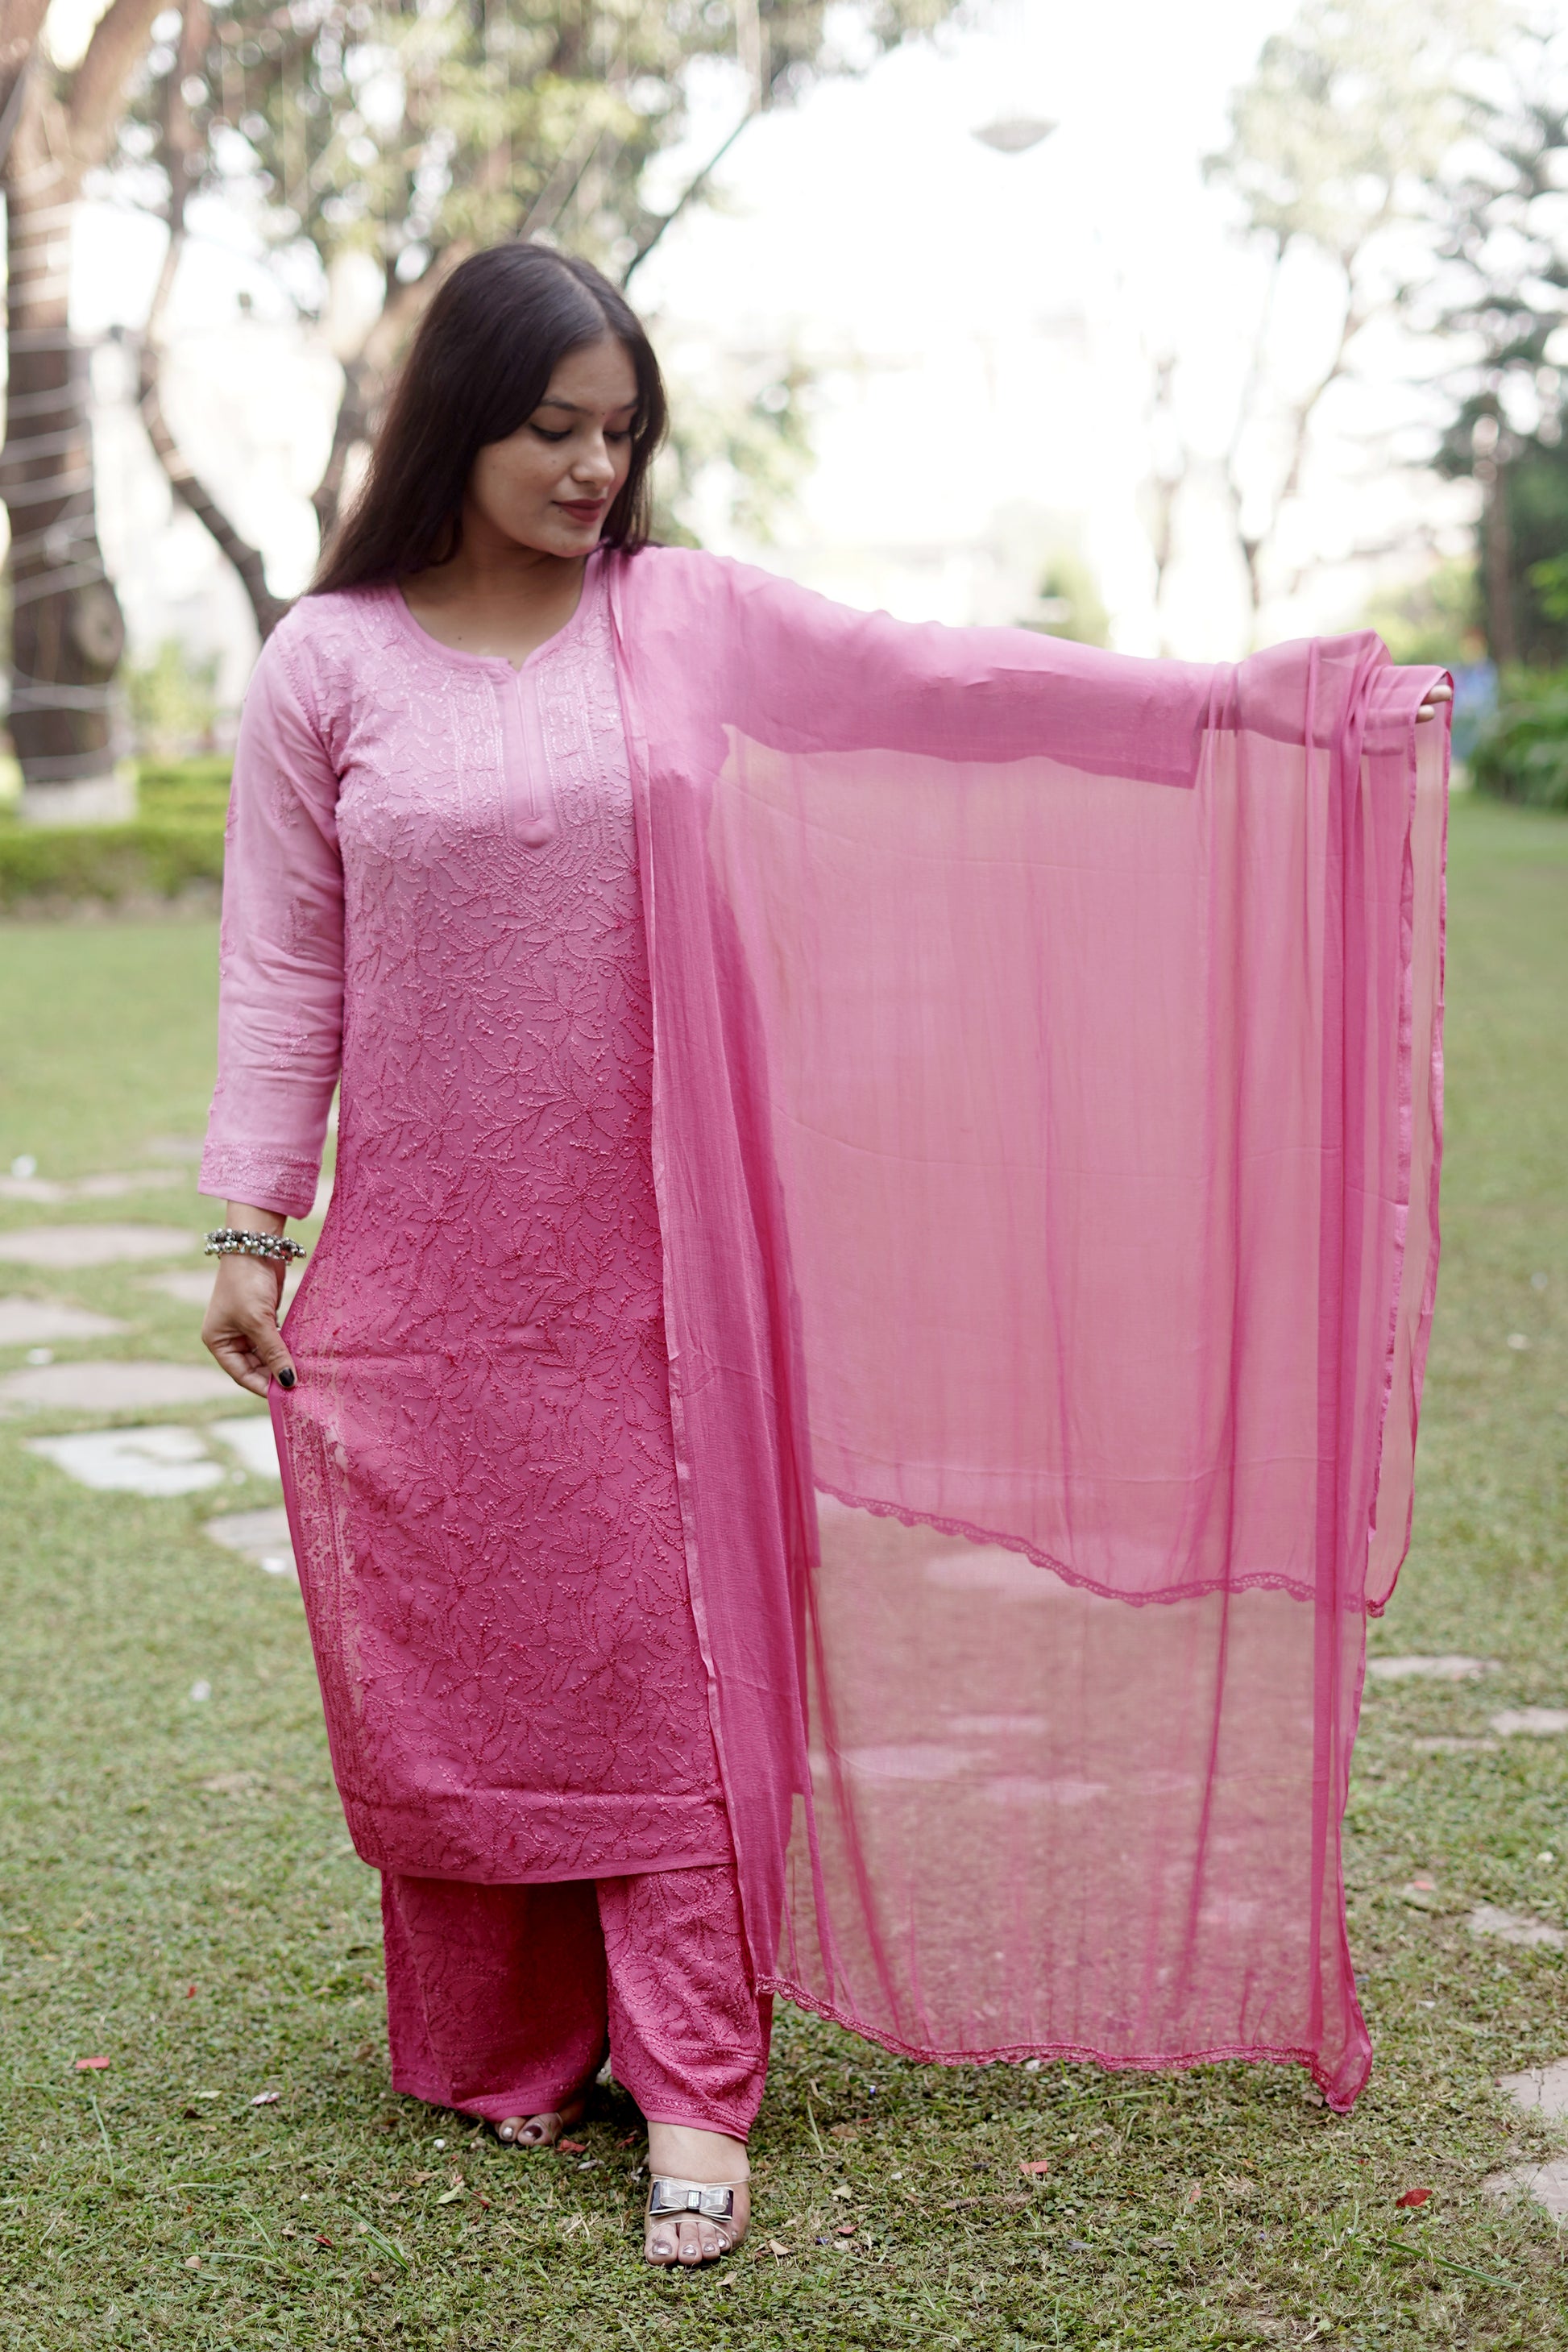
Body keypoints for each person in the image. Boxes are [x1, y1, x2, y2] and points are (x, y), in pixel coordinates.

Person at [201, 241, 1451, 2268]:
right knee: (473, 1650)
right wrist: (253, 1224)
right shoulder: (324, 665)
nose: (595, 468)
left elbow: (948, 680)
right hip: (427, 1267)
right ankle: (513, 2040)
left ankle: (694, 2076)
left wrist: (1254, 704)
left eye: (622, 431)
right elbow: (284, 966)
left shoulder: (679, 618)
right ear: (454, 426)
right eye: (552, 429)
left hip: (663, 1255)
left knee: (672, 1661)